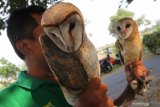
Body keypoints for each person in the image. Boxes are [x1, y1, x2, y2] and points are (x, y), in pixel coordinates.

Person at [0, 5, 114, 107]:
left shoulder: (75, 78)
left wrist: (129, 89)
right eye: (52, 34)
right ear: (25, 47)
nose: (67, 40)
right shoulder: (8, 101)